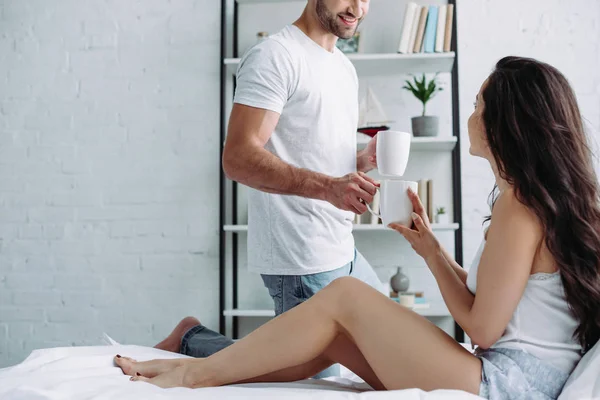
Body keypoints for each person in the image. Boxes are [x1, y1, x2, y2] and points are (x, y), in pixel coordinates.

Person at [116, 56, 600, 398]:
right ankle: (202, 364)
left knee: (345, 295)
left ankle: (192, 376)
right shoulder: (528, 202)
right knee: (336, 336)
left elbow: (484, 330)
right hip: (512, 375)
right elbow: (489, 309)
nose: (472, 114)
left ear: (508, 123)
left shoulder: (521, 207)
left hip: (510, 386)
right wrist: (429, 247)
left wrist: (431, 255)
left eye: (478, 104)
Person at [176, 0, 384, 377]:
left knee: (393, 355)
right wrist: (327, 188)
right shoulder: (276, 56)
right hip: (301, 260)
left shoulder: (343, 67)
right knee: (304, 381)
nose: (358, 7)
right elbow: (237, 158)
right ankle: (191, 339)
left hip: (342, 247)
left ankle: (191, 336)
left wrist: (358, 163)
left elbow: (310, 151)